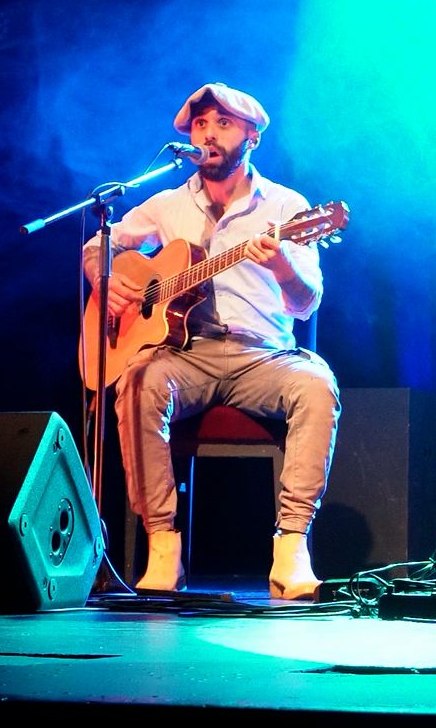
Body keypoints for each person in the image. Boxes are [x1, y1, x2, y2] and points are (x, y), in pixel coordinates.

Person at [81, 82, 340, 599]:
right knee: (138, 380)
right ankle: (162, 548)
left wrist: (284, 263)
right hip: (185, 355)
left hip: (262, 355)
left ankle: (291, 546)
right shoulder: (166, 204)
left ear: (252, 138)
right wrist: (106, 284)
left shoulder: (288, 208)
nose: (209, 134)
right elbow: (98, 246)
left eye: (223, 124)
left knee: (316, 384)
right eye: (201, 124)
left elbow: (306, 302)